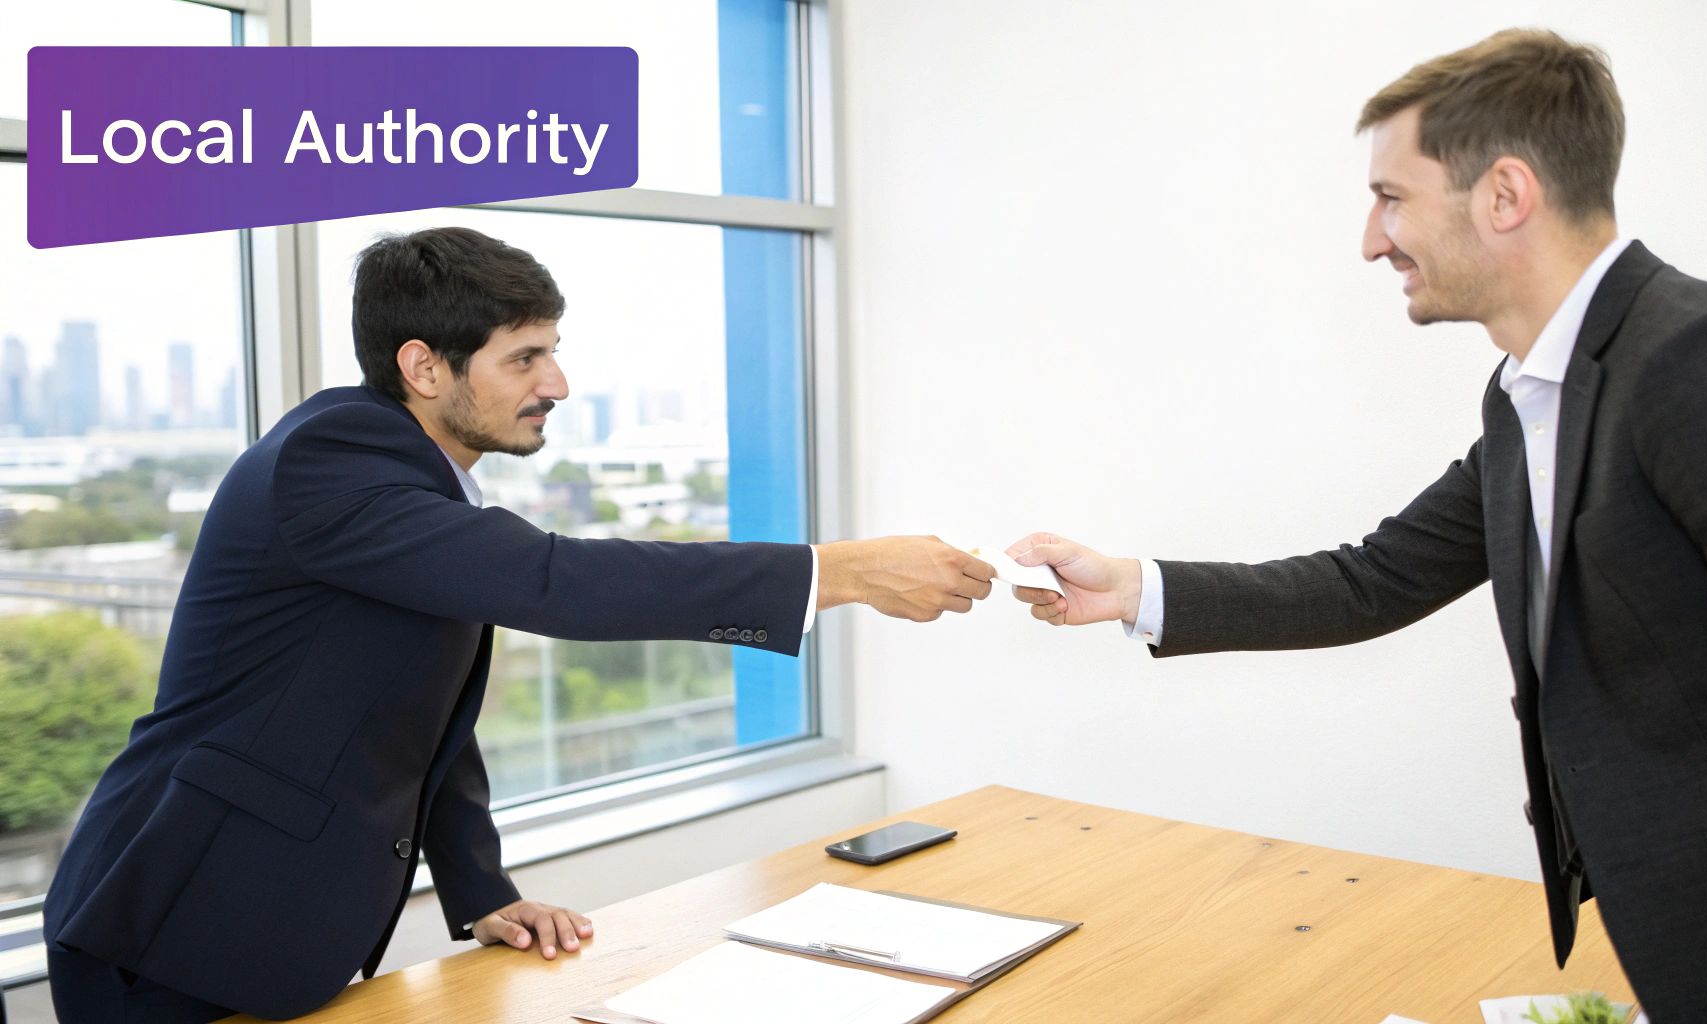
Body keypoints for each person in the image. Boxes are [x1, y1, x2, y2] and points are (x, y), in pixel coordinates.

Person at [1009, 28, 1707, 1023]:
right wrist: (1133, 588)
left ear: (1504, 194)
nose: (1371, 240)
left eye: (1391, 198)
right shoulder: (1527, 401)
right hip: (1687, 953)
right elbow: (1375, 578)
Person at [43, 226, 997, 1022]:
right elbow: (556, 581)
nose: (558, 383)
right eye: (525, 357)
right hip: (172, 921)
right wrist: (839, 571)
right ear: (423, 366)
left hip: (259, 923)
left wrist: (481, 892)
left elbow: (418, 712)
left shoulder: (413, 485)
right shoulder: (333, 459)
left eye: (552, 350)